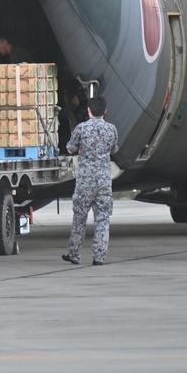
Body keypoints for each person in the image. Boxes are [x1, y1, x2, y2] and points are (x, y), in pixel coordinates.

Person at [61, 96, 118, 266]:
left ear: (88, 110)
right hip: (103, 181)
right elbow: (114, 149)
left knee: (79, 218)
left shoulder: (81, 128)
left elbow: (70, 149)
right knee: (102, 218)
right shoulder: (111, 129)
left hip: (85, 181)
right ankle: (99, 256)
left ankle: (74, 254)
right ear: (105, 111)